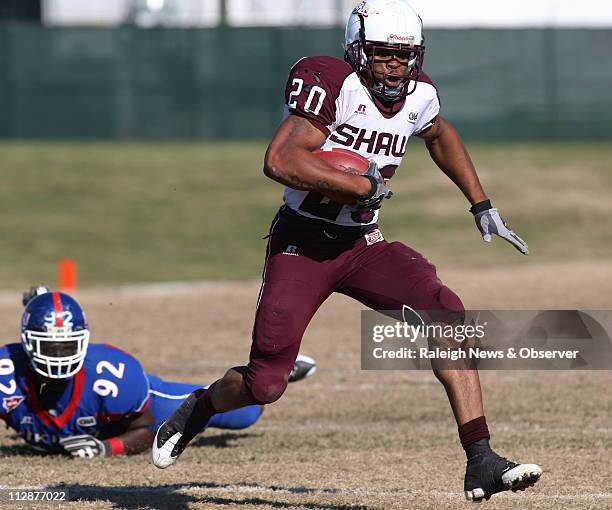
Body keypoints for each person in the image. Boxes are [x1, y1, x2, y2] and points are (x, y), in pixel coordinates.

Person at [152, 0, 541, 502]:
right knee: (266, 382)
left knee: (446, 314)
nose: (397, 67)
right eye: (384, 55)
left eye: (406, 56)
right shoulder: (334, 84)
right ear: (357, 51)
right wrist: (357, 186)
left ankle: (481, 458)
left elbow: (439, 134)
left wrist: (480, 203)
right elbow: (280, 158)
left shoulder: (419, 93)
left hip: (362, 244)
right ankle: (201, 407)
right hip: (303, 244)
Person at [0, 288, 316, 458]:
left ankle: (271, 369)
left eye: (67, 347)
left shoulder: (112, 375)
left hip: (126, 414)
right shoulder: (6, 372)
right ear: (27, 342)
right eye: (50, 347)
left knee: (246, 412)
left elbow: (148, 425)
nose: (58, 357)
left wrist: (108, 448)